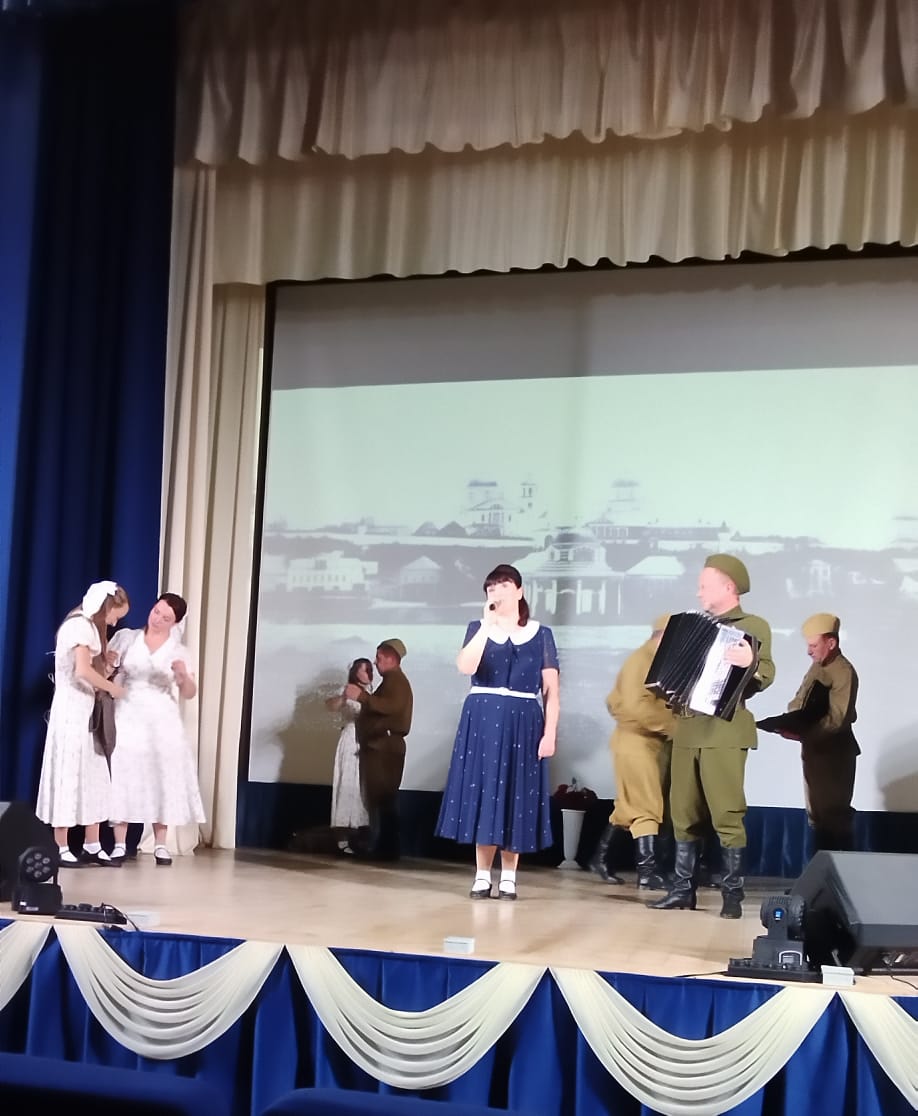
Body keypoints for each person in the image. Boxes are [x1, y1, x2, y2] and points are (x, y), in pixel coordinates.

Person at [650, 554, 774, 918]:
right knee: (682, 812)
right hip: (687, 729)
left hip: (724, 730)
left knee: (726, 812)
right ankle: (681, 890)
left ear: (728, 587)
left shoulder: (753, 626)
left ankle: (732, 895)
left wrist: (750, 663)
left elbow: (765, 673)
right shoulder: (690, 624)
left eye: (705, 585)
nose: (699, 592)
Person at [435, 564, 559, 901]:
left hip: (524, 719)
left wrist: (550, 733)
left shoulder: (541, 634)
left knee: (515, 794)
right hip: (483, 717)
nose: (496, 592)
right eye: (491, 588)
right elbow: (465, 666)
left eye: (503, 585)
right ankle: (481, 874)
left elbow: (551, 691)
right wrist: (486, 626)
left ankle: (509, 876)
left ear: (519, 591)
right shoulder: (478, 628)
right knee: (485, 790)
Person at [107, 593, 206, 865]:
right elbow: (107, 671)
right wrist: (110, 663)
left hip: (162, 719)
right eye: (156, 611)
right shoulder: (127, 638)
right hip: (128, 713)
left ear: (175, 622)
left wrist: (183, 676)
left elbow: (190, 692)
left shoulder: (179, 651)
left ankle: (160, 843)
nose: (158, 619)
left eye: (166, 617)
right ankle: (119, 844)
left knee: (160, 776)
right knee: (124, 773)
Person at [36, 581, 130, 866]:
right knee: (69, 772)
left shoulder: (89, 628)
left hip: (85, 709)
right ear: (106, 607)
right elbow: (82, 671)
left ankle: (92, 843)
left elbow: (93, 671)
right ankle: (61, 845)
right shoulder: (79, 626)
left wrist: (109, 665)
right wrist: (113, 689)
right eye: (115, 616)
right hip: (71, 711)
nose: (114, 623)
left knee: (94, 773)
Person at [592, 614, 675, 890]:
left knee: (628, 806)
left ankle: (599, 859)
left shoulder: (654, 660)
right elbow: (636, 708)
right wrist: (676, 726)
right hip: (636, 742)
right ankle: (647, 872)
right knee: (647, 805)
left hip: (646, 742)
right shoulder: (641, 661)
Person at [784, 613, 859, 852]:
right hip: (814, 750)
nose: (809, 651)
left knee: (833, 817)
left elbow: (837, 719)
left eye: (814, 645)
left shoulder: (843, 672)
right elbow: (799, 700)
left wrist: (804, 732)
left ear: (831, 643)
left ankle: (839, 872)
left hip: (835, 753)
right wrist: (788, 722)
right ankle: (820, 872)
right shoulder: (817, 667)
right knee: (816, 816)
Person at [344, 638, 413, 861]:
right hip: (381, 746)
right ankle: (383, 848)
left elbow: (391, 706)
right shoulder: (392, 681)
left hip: (385, 748)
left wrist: (362, 697)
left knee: (384, 800)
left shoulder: (396, 682)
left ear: (391, 658)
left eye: (379, 658)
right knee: (381, 800)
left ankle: (386, 849)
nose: (375, 662)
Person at [325, 658, 373, 854]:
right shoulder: (349, 690)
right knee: (346, 784)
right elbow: (331, 705)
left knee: (362, 788)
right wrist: (344, 697)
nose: (369, 673)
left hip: (366, 742)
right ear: (356, 672)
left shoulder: (370, 694)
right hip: (351, 739)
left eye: (370, 669)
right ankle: (342, 839)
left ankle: (359, 836)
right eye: (365, 669)